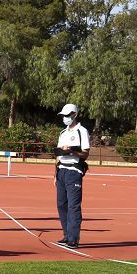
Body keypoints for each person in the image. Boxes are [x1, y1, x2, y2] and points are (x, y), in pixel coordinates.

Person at [54, 103, 90, 249]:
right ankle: (67, 235)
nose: (65, 118)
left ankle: (73, 239)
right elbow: (57, 155)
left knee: (73, 205)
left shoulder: (82, 131)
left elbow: (85, 154)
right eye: (63, 116)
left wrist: (72, 151)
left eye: (67, 115)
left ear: (75, 115)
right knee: (61, 204)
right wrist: (55, 173)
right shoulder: (62, 133)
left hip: (74, 171)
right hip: (61, 171)